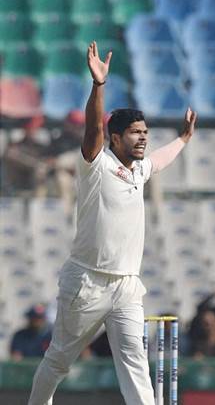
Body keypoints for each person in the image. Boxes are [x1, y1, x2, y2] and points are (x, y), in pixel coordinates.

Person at [27, 41, 198, 405]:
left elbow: (160, 160)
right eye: (136, 133)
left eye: (146, 133)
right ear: (116, 138)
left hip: (126, 286)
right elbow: (93, 131)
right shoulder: (96, 164)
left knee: (135, 365)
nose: (143, 139)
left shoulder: (139, 170)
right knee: (58, 361)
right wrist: (99, 86)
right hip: (86, 282)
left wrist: (182, 139)